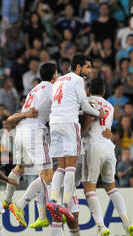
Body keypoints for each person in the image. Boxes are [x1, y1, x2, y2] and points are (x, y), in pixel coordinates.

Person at [47, 55, 104, 221]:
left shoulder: (58, 81)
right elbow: (85, 105)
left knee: (61, 167)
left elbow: (59, 102)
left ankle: (52, 200)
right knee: (71, 166)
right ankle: (65, 204)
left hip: (55, 123)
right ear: (78, 67)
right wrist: (97, 113)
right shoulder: (78, 80)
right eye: (87, 67)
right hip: (69, 123)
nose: (89, 70)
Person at [80, 79, 133, 236]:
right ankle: (126, 222)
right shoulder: (110, 106)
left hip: (93, 146)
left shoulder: (86, 102)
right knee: (111, 187)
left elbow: (87, 119)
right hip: (108, 147)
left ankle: (100, 226)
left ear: (89, 91)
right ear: (104, 93)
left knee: (89, 188)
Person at [3, 63, 57, 228]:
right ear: (54, 75)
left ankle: (6, 201)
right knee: (48, 175)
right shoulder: (52, 89)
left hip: (21, 131)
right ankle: (20, 205)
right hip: (34, 131)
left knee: (20, 167)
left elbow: (17, 116)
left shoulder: (35, 90)